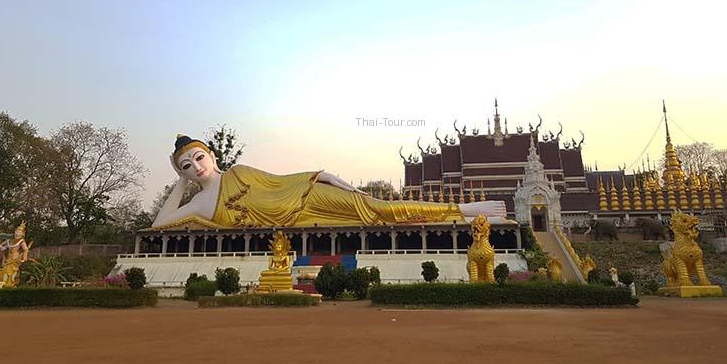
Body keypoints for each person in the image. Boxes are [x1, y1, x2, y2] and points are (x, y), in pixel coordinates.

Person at [152, 134, 513, 229]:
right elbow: (160, 223)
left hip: (308, 195)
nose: (195, 167)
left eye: (199, 158)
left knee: (379, 208)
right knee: (374, 220)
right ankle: (464, 218)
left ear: (212, 156)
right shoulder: (200, 203)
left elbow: (281, 180)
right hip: (299, 225)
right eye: (186, 166)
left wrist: (324, 176)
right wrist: (179, 184)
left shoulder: (239, 173)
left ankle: (463, 208)